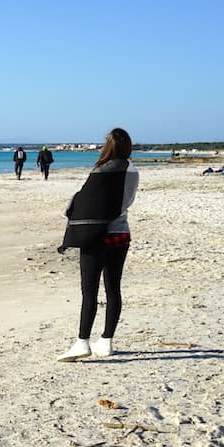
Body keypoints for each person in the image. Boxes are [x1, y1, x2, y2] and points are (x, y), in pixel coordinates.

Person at [57, 127, 138, 362]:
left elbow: (86, 197)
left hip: (97, 234)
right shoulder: (133, 170)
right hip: (121, 233)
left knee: (89, 290)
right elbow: (124, 200)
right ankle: (106, 341)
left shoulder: (102, 170)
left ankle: (82, 342)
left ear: (108, 146)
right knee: (113, 288)